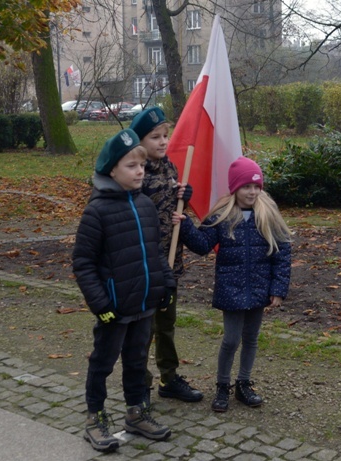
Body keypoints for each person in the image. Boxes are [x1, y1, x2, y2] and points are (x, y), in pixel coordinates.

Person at [72, 128, 175, 452]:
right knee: (103, 363)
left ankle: (136, 412)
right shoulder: (97, 211)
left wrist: (166, 283)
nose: (140, 171)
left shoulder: (145, 204)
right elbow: (83, 263)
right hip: (114, 309)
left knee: (136, 362)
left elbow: (155, 249)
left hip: (143, 304)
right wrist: (100, 303)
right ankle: (95, 418)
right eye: (131, 166)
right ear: (111, 169)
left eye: (141, 166)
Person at [175, 156, 292, 412]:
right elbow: (202, 245)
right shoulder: (222, 216)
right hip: (231, 289)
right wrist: (184, 225)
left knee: (251, 339)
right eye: (246, 187)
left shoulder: (268, 215)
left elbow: (282, 255)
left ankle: (244, 384)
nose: (252, 192)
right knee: (230, 340)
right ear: (235, 188)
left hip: (259, 289)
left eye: (256, 186)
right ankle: (222, 385)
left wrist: (278, 289)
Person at [130, 107, 204, 403]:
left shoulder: (171, 168)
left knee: (166, 325)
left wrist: (183, 197)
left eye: (165, 136)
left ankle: (169, 378)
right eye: (155, 137)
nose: (163, 142)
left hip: (170, 263)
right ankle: (140, 384)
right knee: (143, 329)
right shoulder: (136, 172)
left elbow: (173, 210)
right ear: (140, 141)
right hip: (144, 265)